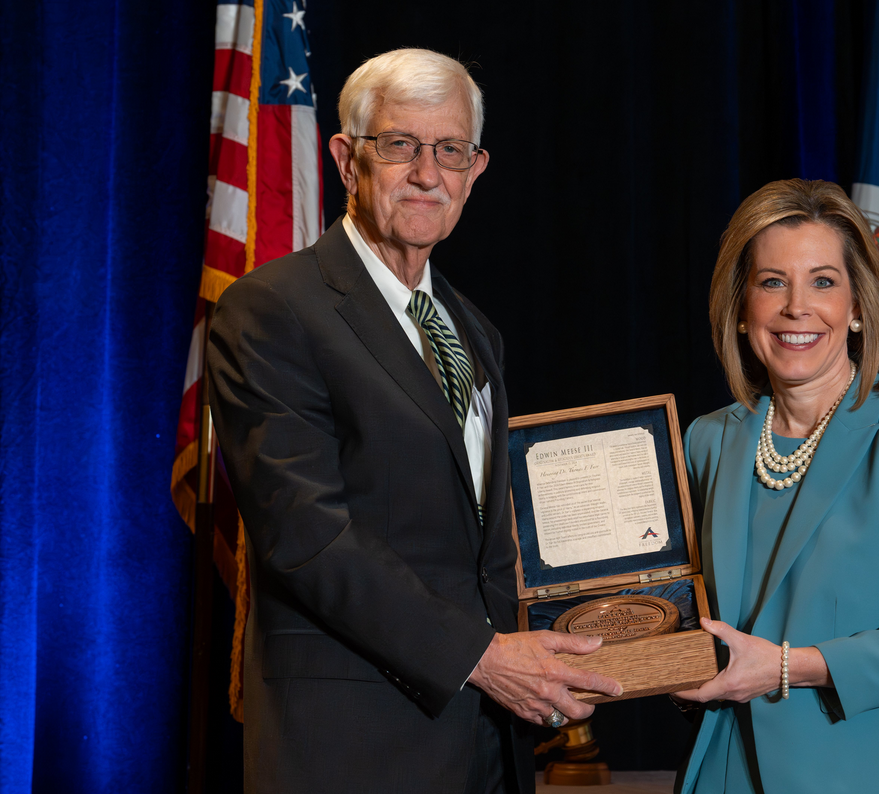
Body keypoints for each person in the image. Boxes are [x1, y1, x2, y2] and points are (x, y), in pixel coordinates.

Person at [207, 48, 621, 794]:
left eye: (451, 150)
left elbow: (483, 544)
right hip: (352, 745)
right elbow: (306, 536)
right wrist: (483, 658)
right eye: (400, 145)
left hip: (489, 742)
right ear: (345, 158)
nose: (428, 174)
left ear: (475, 168)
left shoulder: (475, 332)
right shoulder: (272, 310)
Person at [672, 179, 879, 793]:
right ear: (742, 309)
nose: (798, 307)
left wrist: (786, 668)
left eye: (823, 281)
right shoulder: (708, 440)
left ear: (855, 308)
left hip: (870, 772)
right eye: (773, 282)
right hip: (728, 771)